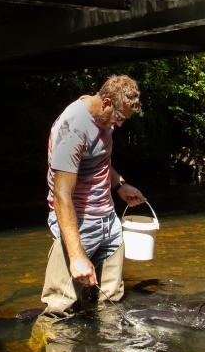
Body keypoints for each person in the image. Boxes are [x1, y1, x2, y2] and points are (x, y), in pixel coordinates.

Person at [39, 74, 146, 318]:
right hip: (79, 222)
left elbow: (99, 161)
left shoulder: (102, 115)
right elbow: (61, 195)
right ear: (107, 102)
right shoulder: (74, 129)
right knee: (60, 309)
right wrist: (76, 256)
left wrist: (119, 186)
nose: (119, 124)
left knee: (111, 303)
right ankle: (50, 351)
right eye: (119, 118)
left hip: (108, 221)